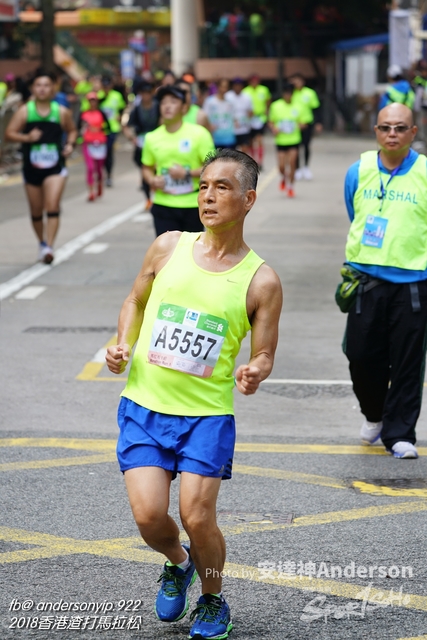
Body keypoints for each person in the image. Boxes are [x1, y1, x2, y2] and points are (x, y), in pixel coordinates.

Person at [105, 148, 283, 639]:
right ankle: (178, 562)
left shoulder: (261, 280)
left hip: (206, 416)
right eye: (204, 186)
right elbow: (135, 300)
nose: (208, 196)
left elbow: (265, 351)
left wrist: (255, 370)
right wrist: (122, 343)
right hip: (144, 406)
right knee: (149, 517)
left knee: (197, 516)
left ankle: (212, 599)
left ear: (248, 199)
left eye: (222, 187)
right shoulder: (167, 246)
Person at [342, 103, 427, 459]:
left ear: (413, 132)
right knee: (360, 355)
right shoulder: (358, 171)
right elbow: (354, 213)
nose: (392, 134)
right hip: (367, 280)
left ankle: (400, 433)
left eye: (400, 127)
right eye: (385, 127)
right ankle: (374, 413)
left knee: (408, 361)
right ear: (376, 131)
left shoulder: (424, 172)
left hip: (413, 282)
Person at [5, 70, 77, 264]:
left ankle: (49, 247)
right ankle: (41, 242)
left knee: (52, 205)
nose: (42, 89)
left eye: (46, 85)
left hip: (55, 167)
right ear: (32, 89)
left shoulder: (60, 111)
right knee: (36, 210)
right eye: (38, 85)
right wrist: (27, 137)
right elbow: (9, 133)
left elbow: (72, 130)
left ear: (53, 88)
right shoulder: (25, 111)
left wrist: (70, 145)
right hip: (32, 167)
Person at [142, 85, 215, 236]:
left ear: (184, 107)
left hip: (193, 204)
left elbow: (213, 167)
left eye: (173, 101)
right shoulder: (151, 137)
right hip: (163, 204)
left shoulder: (200, 134)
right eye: (163, 102)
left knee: (190, 250)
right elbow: (146, 167)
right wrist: (152, 180)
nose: (167, 106)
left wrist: (187, 173)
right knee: (167, 249)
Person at [123, 80, 159, 209]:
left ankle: (156, 196)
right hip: (142, 144)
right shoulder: (137, 110)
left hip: (158, 143)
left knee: (158, 170)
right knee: (145, 170)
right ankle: (148, 199)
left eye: (148, 93)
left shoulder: (158, 107)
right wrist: (132, 138)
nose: (146, 96)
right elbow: (127, 126)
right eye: (143, 93)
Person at [268, 83, 303, 198]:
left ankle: (291, 187)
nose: (288, 95)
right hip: (281, 140)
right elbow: (271, 122)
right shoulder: (275, 106)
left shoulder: (298, 106)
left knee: (292, 163)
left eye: (290, 93)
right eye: (286, 93)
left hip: (294, 139)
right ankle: (284, 177)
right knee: (281, 167)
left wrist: (299, 125)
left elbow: (304, 122)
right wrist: (274, 128)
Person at [289, 73, 322, 180]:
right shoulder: (291, 93)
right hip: (294, 124)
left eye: (299, 80)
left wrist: (318, 122)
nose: (297, 83)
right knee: (296, 147)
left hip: (307, 123)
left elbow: (316, 108)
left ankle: (306, 167)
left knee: (306, 145)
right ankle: (297, 168)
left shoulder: (309, 93)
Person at [78, 92, 110, 202]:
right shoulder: (84, 114)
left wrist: (101, 131)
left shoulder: (101, 113)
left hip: (100, 143)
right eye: (90, 100)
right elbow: (78, 128)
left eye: (94, 100)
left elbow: (108, 127)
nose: (92, 103)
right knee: (90, 168)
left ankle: (99, 184)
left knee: (99, 169)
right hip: (88, 143)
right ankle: (91, 192)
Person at [98, 75, 127, 187]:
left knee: (108, 152)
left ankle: (109, 175)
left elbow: (122, 107)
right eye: (104, 85)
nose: (106, 87)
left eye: (108, 85)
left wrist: (120, 116)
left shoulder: (116, 96)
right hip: (99, 129)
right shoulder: (97, 96)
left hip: (113, 128)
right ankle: (100, 174)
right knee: (100, 154)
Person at [242, 74, 271, 169]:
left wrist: (266, 111)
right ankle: (253, 159)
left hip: (260, 117)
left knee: (259, 139)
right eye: (252, 81)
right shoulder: (246, 91)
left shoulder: (263, 90)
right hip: (249, 119)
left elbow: (268, 100)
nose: (254, 83)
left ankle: (260, 161)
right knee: (250, 141)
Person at [203, 78, 236, 149]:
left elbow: (233, 118)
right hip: (215, 138)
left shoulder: (230, 102)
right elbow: (205, 117)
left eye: (226, 87)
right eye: (222, 86)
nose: (224, 89)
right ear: (218, 87)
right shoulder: (209, 101)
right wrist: (209, 127)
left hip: (229, 138)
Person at [225, 78, 253, 155]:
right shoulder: (228, 96)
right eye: (236, 85)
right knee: (232, 152)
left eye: (239, 85)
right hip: (231, 129)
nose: (237, 87)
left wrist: (248, 119)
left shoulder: (247, 97)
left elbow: (251, 111)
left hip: (244, 128)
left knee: (244, 149)